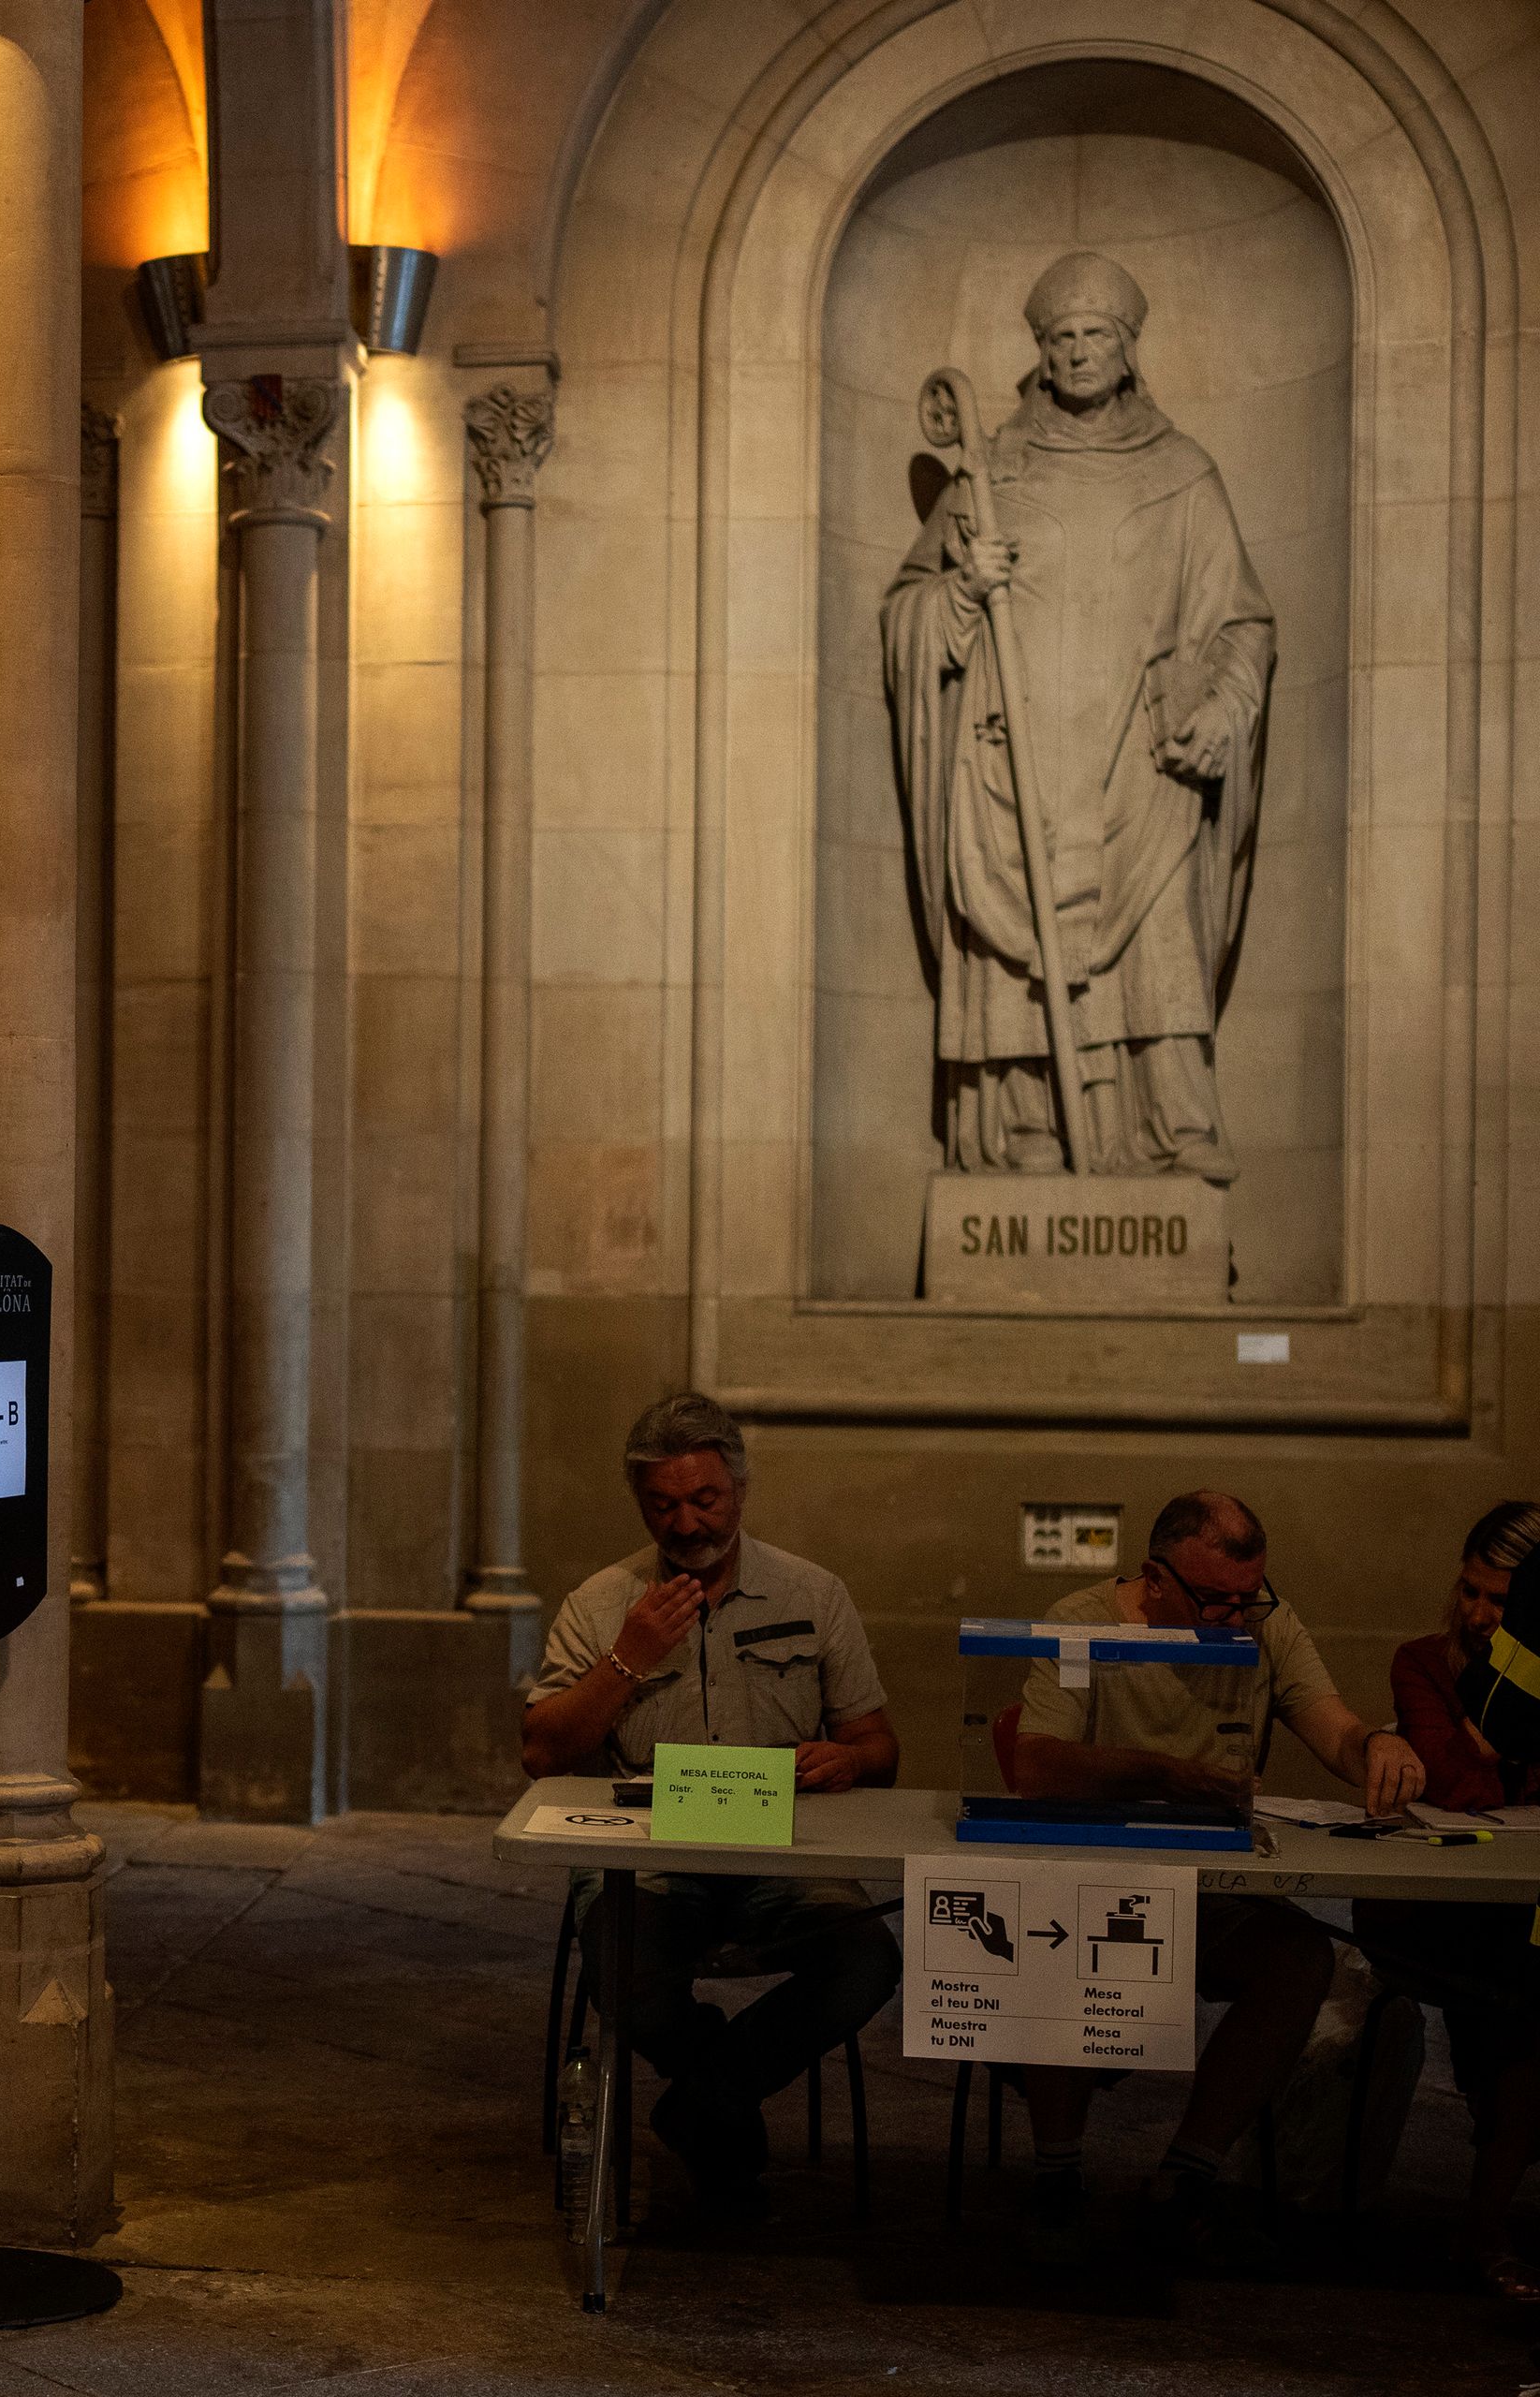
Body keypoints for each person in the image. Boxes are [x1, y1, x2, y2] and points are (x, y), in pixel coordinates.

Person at [882, 249, 1276, 1179]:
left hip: (1143, 766)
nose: (1078, 352)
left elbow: (1241, 622)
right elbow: (907, 611)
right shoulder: (992, 471)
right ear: (1042, 352)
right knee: (1019, 937)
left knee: (1157, 935)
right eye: (1060, 338)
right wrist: (963, 593)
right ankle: (1030, 1133)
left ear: (1129, 347)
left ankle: (1172, 1126)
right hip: (1015, 755)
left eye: (1096, 335)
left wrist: (1224, 708)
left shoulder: (1183, 475)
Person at [1007, 1489, 1424, 2259]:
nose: (1234, 1619)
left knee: (1300, 1959)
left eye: (1247, 1599)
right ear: (1154, 1577)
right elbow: (1036, 1763)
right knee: (1056, 1943)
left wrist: (1378, 1746)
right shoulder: (1080, 1623)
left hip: (1213, 1889)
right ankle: (1058, 2170)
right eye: (1213, 1601)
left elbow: (1332, 1728)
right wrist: (1163, 1775)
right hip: (1095, 1882)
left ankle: (1187, 2172)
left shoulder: (1267, 1623)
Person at [521, 1392, 902, 2214]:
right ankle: (721, 2102)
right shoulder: (601, 1603)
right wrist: (628, 1658)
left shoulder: (813, 1592)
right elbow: (543, 1751)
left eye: (704, 1500)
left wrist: (849, 1757)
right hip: (651, 1854)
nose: (686, 1523)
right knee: (624, 1974)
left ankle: (702, 2101)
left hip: (785, 1851)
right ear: (640, 1504)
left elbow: (881, 1748)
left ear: (739, 1491)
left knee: (868, 1959)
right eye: (663, 1505)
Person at [1349, 1501, 1540, 2299]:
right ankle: (1487, 2223)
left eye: (1501, 1601)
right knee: (1527, 1999)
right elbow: (1454, 1784)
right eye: (1470, 1590)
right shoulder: (1424, 1662)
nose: (1478, 1613)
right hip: (1439, 1903)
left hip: (1519, 1904)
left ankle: (1486, 2213)